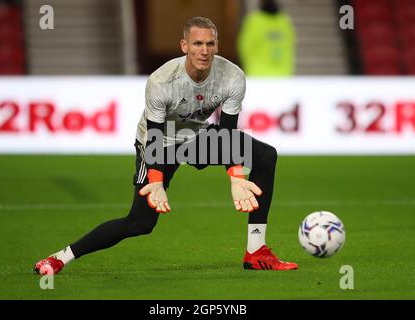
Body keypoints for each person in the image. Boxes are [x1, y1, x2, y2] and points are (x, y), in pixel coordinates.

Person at [33, 16, 297, 274]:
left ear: (216, 46)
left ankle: (256, 250)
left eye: (209, 44)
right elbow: (155, 136)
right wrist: (156, 180)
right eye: (197, 44)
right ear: (184, 46)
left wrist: (236, 176)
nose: (204, 51)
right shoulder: (162, 81)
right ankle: (60, 257)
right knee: (140, 222)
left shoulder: (232, 77)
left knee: (265, 155)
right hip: (160, 143)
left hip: (197, 136)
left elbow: (227, 133)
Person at [237, 0, 296, 76]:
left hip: (258, 74)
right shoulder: (285, 21)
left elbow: (244, 46)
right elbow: (290, 46)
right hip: (282, 75)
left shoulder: (254, 21)